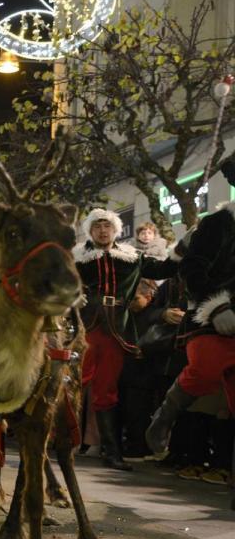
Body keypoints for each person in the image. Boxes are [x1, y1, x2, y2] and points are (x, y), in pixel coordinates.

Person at [74, 208, 177, 471]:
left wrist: (187, 246)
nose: (103, 230)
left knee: (106, 389)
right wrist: (73, 297)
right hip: (87, 326)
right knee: (74, 383)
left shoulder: (132, 257)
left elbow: (166, 267)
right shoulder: (78, 260)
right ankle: (63, 439)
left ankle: (112, 452)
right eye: (97, 226)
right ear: (90, 230)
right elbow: (59, 284)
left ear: (116, 229)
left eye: (107, 225)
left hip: (117, 329)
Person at [146, 198, 235, 482]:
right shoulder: (217, 224)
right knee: (206, 371)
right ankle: (165, 415)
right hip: (211, 317)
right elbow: (189, 269)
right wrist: (217, 306)